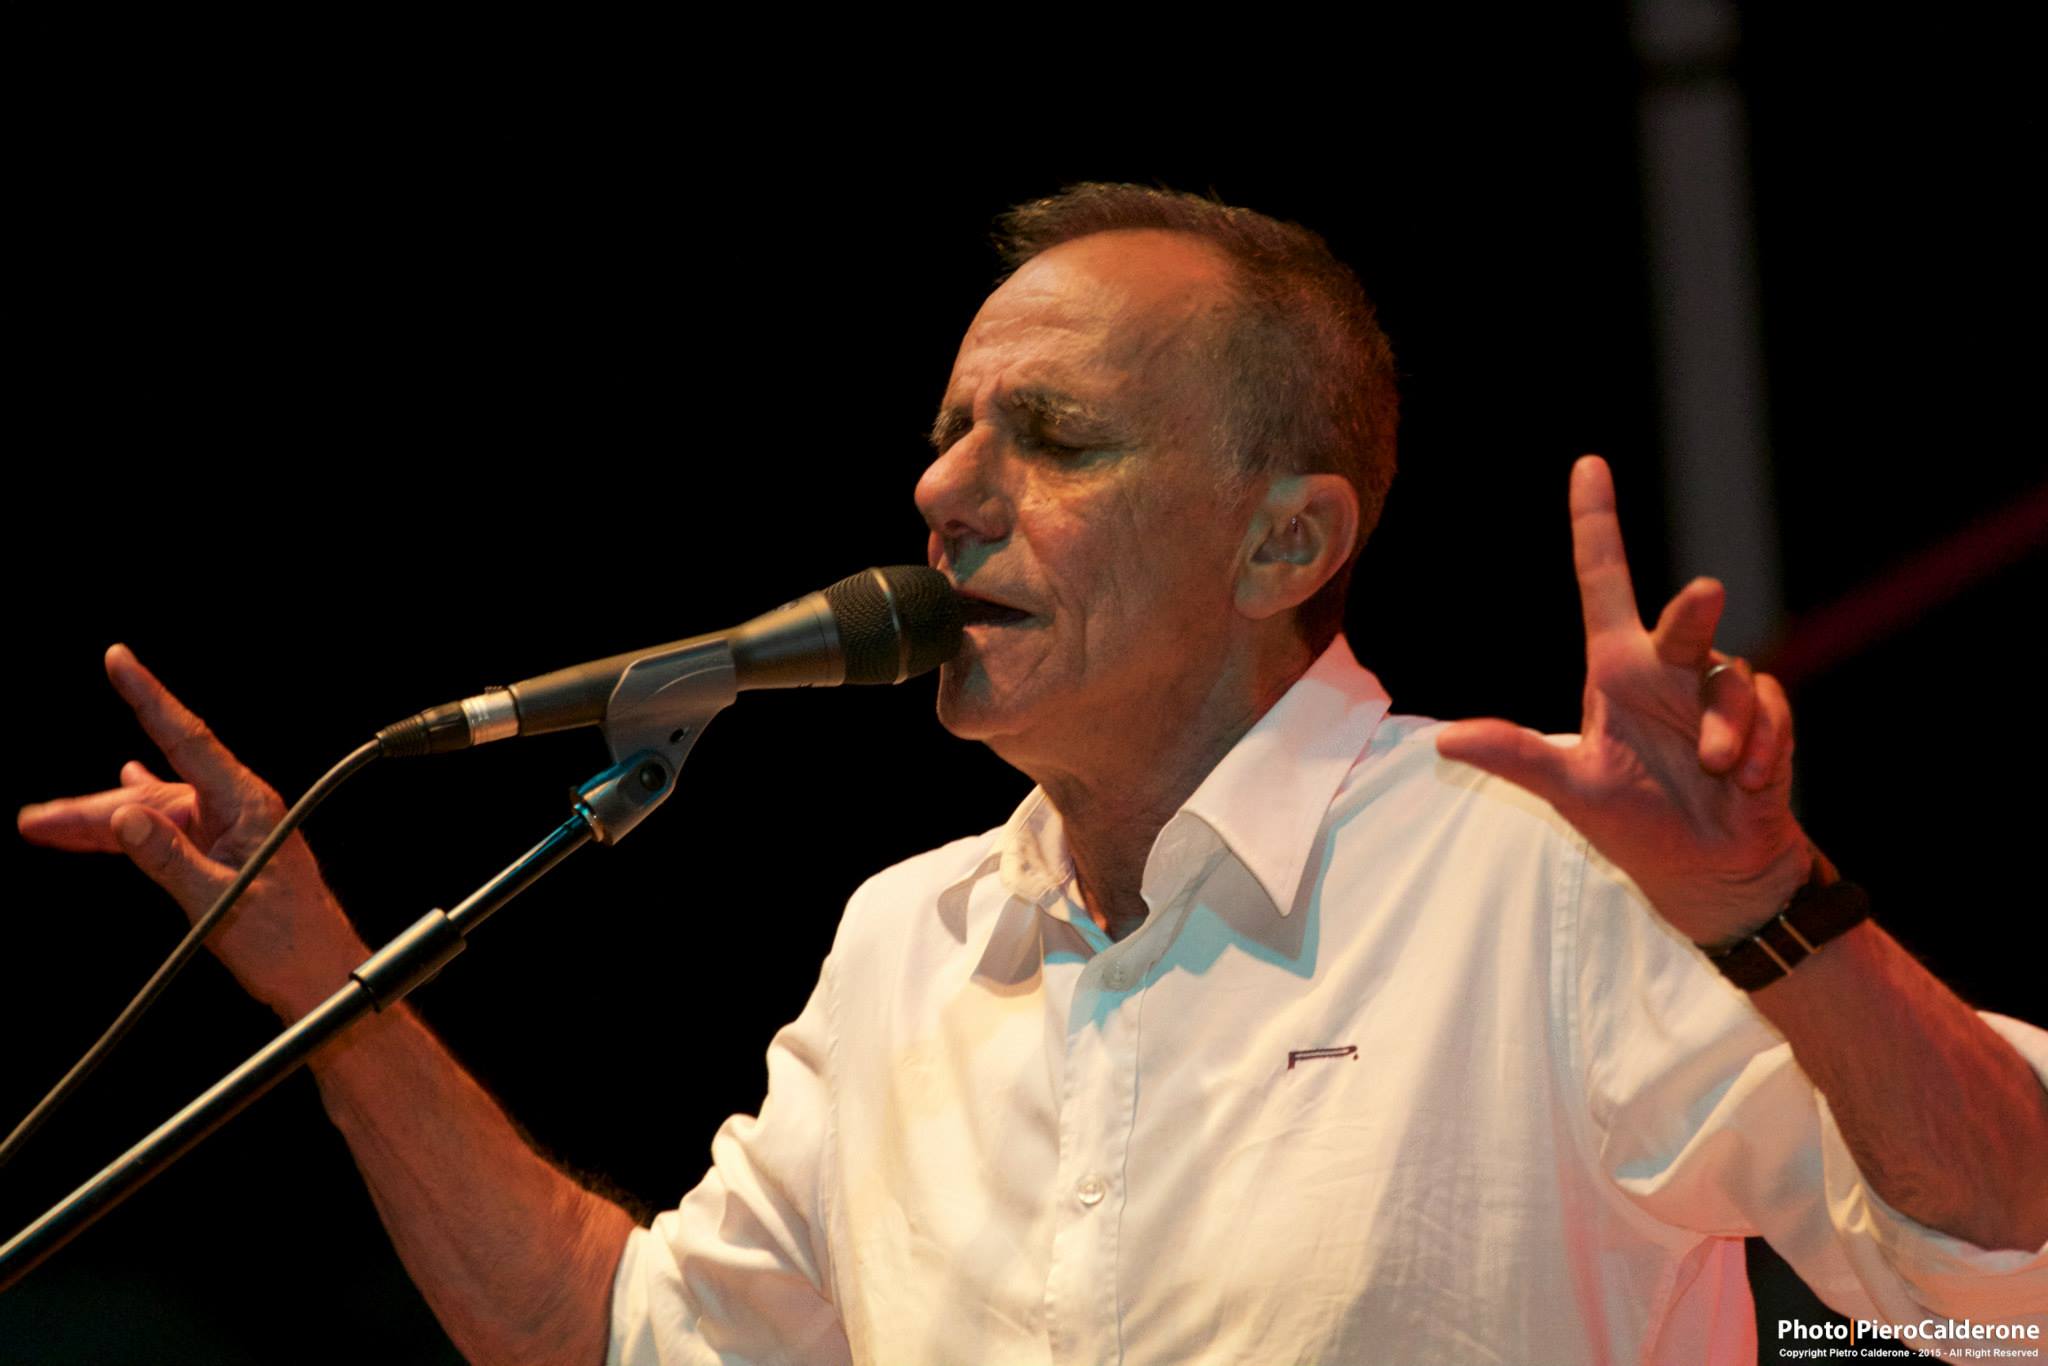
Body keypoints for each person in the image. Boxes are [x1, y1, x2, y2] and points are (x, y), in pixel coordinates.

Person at [18, 185, 2048, 1364]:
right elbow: (606, 1333)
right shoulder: (905, 942)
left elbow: (2010, 1250)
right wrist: (323, 977)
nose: (944, 493)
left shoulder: (1532, 872)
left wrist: (1765, 903)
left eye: (1053, 439)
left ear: (1284, 539)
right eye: (949, 431)